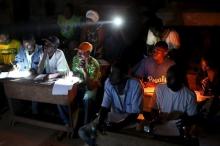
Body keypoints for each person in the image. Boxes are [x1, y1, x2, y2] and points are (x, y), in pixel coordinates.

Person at [78, 61, 143, 146]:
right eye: (110, 72)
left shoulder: (136, 85)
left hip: (130, 121)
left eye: (114, 73)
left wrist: (117, 126)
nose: (110, 76)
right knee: (82, 132)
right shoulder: (109, 83)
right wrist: (100, 122)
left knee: (116, 138)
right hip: (113, 116)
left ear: (125, 76)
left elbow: (134, 114)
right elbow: (104, 107)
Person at [152, 64, 197, 136]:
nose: (167, 80)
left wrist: (179, 116)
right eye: (167, 77)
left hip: (178, 129)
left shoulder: (189, 95)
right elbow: (153, 109)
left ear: (180, 79)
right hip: (161, 126)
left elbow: (192, 119)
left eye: (171, 78)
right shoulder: (159, 89)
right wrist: (157, 118)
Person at [71, 41, 101, 125]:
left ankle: (86, 125)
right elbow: (74, 73)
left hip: (91, 86)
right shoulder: (75, 59)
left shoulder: (94, 64)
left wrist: (84, 70)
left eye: (81, 52)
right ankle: (70, 124)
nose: (78, 54)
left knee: (87, 99)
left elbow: (90, 86)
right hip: (78, 84)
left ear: (88, 53)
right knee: (66, 95)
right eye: (78, 51)